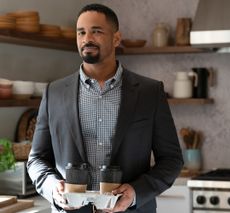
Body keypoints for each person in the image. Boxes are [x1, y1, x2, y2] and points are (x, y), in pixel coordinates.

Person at [27, 3, 183, 213]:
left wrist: (136, 192)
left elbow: (171, 160)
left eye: (96, 31)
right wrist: (52, 187)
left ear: (116, 38)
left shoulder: (150, 92)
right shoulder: (54, 92)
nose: (87, 39)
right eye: (81, 32)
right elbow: (37, 159)